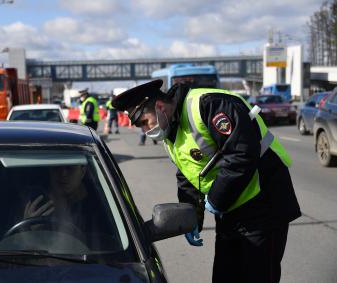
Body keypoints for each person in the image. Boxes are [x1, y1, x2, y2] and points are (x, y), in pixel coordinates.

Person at [111, 79, 301, 283]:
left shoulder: (209, 105)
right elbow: (188, 175)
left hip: (264, 202)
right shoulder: (171, 129)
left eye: (144, 122)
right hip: (231, 208)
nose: (145, 131)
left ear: (159, 107)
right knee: (225, 275)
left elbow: (241, 154)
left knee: (258, 275)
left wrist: (216, 200)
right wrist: (192, 216)